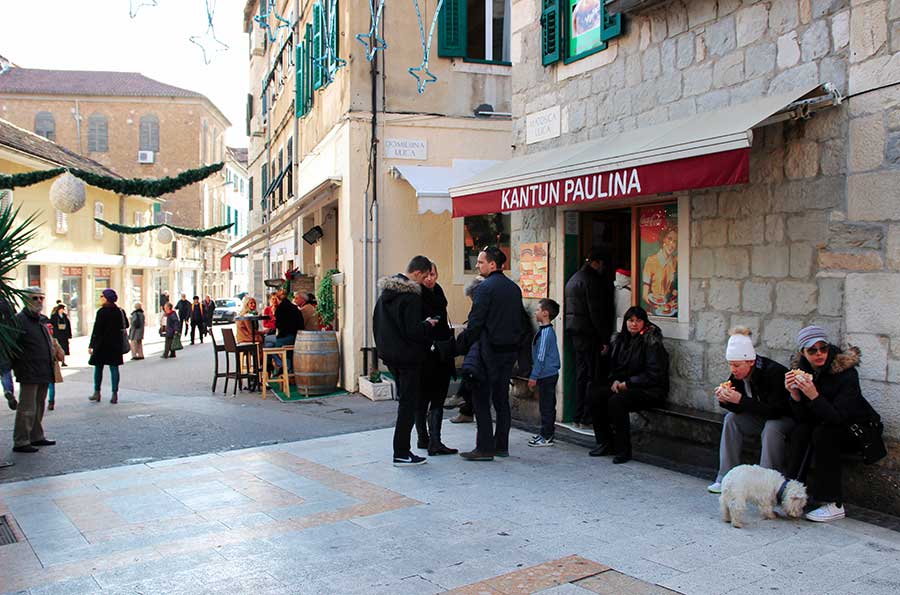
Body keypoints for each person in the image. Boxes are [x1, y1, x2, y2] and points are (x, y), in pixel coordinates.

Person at [784, 326, 885, 523]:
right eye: (812, 350)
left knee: (824, 433)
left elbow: (838, 417)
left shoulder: (846, 373)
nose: (819, 354)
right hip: (825, 425)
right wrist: (795, 395)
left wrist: (813, 395)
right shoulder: (802, 371)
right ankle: (792, 492)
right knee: (801, 431)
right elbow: (803, 418)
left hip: (858, 430)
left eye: (823, 348)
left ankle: (833, 503)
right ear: (803, 352)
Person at [454, 246, 524, 461]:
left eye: (481, 261)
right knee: (501, 399)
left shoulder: (485, 289)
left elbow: (475, 324)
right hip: (508, 352)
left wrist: (459, 346)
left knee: (481, 399)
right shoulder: (514, 289)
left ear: (493, 264)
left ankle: (484, 448)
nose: (477, 264)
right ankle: (501, 445)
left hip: (488, 352)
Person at [707, 327, 794, 494]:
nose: (733, 369)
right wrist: (725, 400)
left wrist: (740, 400)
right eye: (730, 365)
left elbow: (776, 411)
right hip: (761, 417)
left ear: (751, 361)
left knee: (771, 427)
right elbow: (740, 407)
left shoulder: (773, 372)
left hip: (785, 419)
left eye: (737, 365)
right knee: (731, 419)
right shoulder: (738, 374)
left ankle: (765, 484)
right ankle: (725, 476)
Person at [373, 255, 436, 467]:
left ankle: (401, 450)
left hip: (391, 356)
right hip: (408, 358)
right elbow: (413, 331)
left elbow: (377, 325)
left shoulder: (385, 295)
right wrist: (428, 324)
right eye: (425, 276)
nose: (425, 280)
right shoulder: (410, 297)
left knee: (405, 403)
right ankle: (401, 452)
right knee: (408, 405)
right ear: (417, 273)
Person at [591, 306, 668, 464]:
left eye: (638, 320)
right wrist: (615, 381)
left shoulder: (651, 342)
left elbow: (654, 374)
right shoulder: (620, 340)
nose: (634, 324)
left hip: (649, 390)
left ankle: (623, 449)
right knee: (595, 395)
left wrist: (628, 383)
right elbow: (616, 367)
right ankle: (605, 442)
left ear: (644, 322)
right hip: (625, 385)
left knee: (617, 402)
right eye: (630, 320)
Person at [564, 248, 614, 429]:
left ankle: (577, 415)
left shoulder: (574, 279)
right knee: (592, 377)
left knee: (581, 375)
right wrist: (604, 339)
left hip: (576, 334)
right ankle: (587, 416)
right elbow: (596, 313)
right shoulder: (592, 281)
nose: (604, 268)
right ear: (596, 262)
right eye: (602, 264)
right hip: (589, 335)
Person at [415, 263, 457, 456]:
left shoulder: (437, 290)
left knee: (434, 397)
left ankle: (430, 440)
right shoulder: (417, 295)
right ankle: (429, 440)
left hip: (440, 353)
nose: (431, 278)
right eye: (427, 275)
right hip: (428, 353)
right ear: (420, 275)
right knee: (427, 398)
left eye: (434, 274)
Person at [9, 287, 56, 453]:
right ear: (26, 300)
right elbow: (12, 346)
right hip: (28, 370)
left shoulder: (40, 320)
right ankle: (21, 440)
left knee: (38, 406)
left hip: (43, 369)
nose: (38, 301)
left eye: (41, 298)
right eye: (34, 298)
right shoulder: (19, 320)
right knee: (27, 408)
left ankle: (36, 435)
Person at [449, 276, 484, 424]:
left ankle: (463, 401)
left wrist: (457, 347)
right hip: (483, 347)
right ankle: (465, 408)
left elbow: (474, 329)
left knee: (470, 373)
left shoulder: (482, 303)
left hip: (484, 349)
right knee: (470, 373)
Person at [528, 299, 561, 447]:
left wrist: (534, 376)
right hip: (545, 373)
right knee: (545, 405)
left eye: (538, 310)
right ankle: (545, 432)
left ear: (545, 313)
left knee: (547, 406)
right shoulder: (544, 331)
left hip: (547, 374)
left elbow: (541, 357)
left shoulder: (547, 333)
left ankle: (547, 435)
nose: (535, 312)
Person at [88, 288, 128, 404]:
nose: (100, 298)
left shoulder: (101, 312)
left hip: (101, 345)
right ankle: (114, 393)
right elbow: (126, 324)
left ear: (106, 298)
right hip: (115, 344)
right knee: (114, 368)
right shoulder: (119, 311)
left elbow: (96, 330)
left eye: (102, 296)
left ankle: (97, 392)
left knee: (98, 368)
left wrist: (91, 344)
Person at [272, 288, 303, 374]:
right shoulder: (295, 308)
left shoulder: (279, 310)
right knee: (271, 344)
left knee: (267, 344)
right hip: (296, 338)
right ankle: (289, 369)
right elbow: (301, 324)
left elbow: (278, 326)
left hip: (284, 338)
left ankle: (281, 365)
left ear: (278, 299)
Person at [1, 294, 16, 411]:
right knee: (5, 371)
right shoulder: (6, 303)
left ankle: (8, 391)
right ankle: (8, 390)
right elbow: (14, 319)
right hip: (5, 342)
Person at [46, 322, 65, 411]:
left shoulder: (39, 340)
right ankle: (51, 402)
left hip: (40, 366)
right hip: (52, 365)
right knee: (51, 385)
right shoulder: (54, 341)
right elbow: (61, 354)